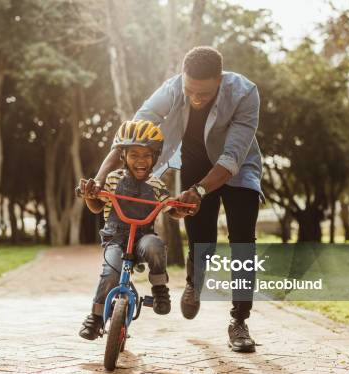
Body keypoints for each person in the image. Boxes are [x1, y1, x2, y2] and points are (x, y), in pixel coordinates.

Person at [85, 46, 263, 352]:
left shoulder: (245, 93)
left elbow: (232, 156)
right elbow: (131, 135)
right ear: (183, 78)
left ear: (219, 80)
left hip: (238, 168)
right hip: (195, 163)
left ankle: (239, 321)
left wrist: (200, 191)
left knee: (243, 242)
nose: (195, 98)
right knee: (201, 238)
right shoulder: (172, 89)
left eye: (204, 93)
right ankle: (195, 282)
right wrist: (99, 179)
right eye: (190, 90)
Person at [78, 120, 187, 341]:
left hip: (142, 238)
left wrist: (182, 209)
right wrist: (90, 196)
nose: (140, 160)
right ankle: (96, 317)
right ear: (123, 156)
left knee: (155, 246)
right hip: (115, 239)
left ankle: (159, 290)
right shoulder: (112, 179)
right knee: (111, 272)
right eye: (134, 154)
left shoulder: (157, 185)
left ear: (155, 157)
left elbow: (170, 209)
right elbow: (97, 206)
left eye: (147, 155)